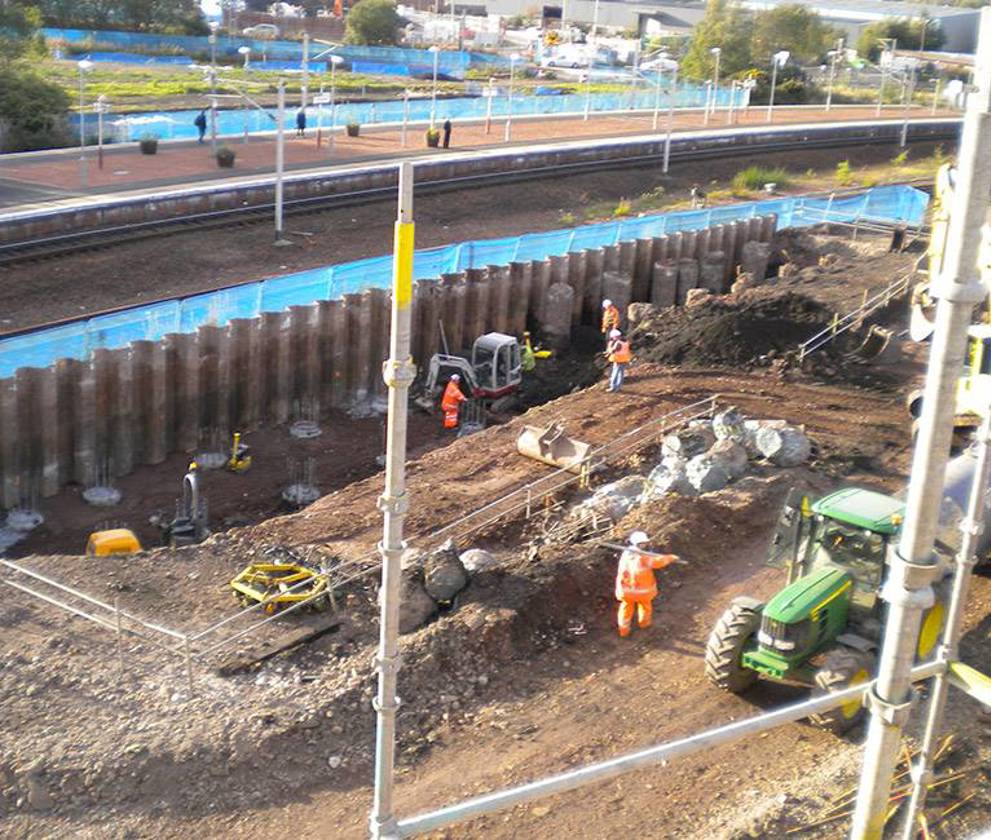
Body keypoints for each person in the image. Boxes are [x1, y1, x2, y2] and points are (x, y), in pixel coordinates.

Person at [615, 531, 679, 638]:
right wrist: (670, 558)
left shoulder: (625, 554)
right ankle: (644, 624)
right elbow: (657, 563)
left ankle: (623, 630)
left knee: (626, 608)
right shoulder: (642, 557)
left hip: (625, 590)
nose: (645, 545)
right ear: (639, 544)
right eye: (644, 543)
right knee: (645, 607)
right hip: (642, 591)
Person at [605, 328, 631, 393]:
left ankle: (613, 387)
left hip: (618, 360)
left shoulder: (618, 343)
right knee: (621, 373)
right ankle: (618, 387)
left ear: (615, 336)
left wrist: (609, 349)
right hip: (625, 359)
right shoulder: (626, 341)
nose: (612, 338)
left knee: (615, 373)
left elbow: (613, 351)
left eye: (613, 337)